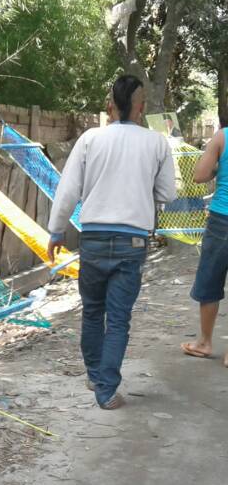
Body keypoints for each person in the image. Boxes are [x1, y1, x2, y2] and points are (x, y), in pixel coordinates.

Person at [47, 74, 177, 410]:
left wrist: (56, 231)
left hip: (92, 237)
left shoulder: (90, 139)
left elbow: (68, 191)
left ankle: (94, 375)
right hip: (132, 242)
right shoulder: (157, 143)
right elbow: (167, 193)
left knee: (92, 311)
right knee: (118, 318)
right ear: (139, 107)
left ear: (110, 106)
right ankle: (106, 390)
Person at [181, 116, 228, 366]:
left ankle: (204, 342)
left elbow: (200, 176)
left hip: (222, 218)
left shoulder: (222, 136)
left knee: (211, 277)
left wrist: (219, 167)